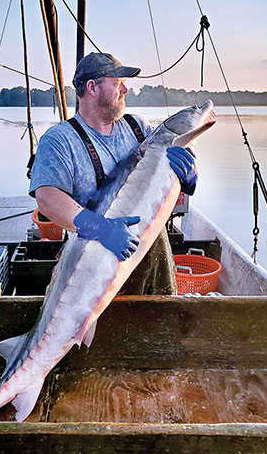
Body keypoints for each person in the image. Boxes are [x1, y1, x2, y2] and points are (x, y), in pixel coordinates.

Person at [29, 52, 197, 295]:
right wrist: (101, 228)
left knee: (162, 323)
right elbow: (47, 199)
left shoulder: (139, 128)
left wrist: (187, 178)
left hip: (153, 253)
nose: (126, 90)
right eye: (118, 83)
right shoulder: (60, 140)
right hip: (94, 262)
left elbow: (164, 183)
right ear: (92, 88)